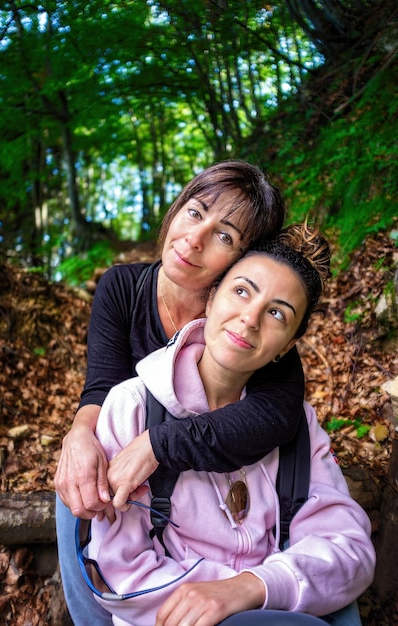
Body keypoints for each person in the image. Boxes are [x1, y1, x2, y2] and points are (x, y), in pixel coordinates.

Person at [80, 223, 375, 626]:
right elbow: (122, 570)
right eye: (241, 291)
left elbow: (350, 551)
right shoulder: (132, 409)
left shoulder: (298, 426)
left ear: (286, 346)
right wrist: (218, 600)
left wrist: (251, 587)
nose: (250, 318)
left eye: (276, 313)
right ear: (211, 297)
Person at [55, 161, 307, 624]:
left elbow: (275, 417)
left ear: (245, 259)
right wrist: (78, 436)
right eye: (195, 212)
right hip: (132, 473)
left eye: (225, 236)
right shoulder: (123, 288)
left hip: (212, 485)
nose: (195, 239)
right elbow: (103, 387)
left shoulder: (253, 329)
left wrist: (159, 443)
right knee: (78, 478)